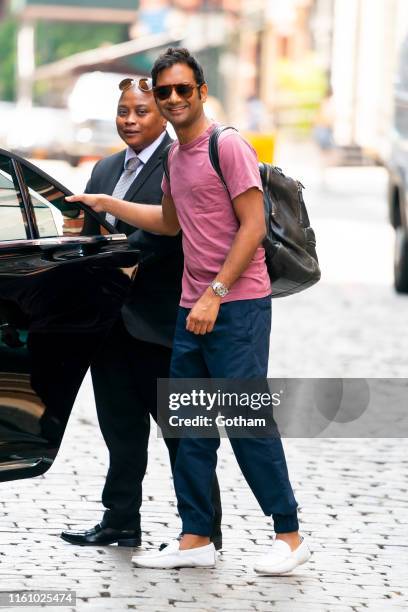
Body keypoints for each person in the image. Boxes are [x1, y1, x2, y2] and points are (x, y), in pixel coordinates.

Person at [66, 48, 310, 575]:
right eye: (164, 91)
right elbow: (168, 223)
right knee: (191, 427)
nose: (173, 98)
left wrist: (214, 293)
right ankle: (196, 538)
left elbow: (253, 228)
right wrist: (106, 205)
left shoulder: (229, 146)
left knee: (246, 422)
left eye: (182, 89)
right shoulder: (177, 156)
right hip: (190, 310)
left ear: (200, 92)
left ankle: (288, 536)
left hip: (235, 307)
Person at [61, 76, 222, 550]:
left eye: (141, 111)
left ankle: (203, 530)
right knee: (120, 430)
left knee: (183, 436)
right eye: (123, 111)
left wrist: (107, 257)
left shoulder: (181, 162)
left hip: (164, 324)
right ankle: (120, 521)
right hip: (109, 326)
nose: (130, 120)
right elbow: (90, 233)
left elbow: (165, 234)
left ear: (164, 115)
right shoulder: (105, 168)